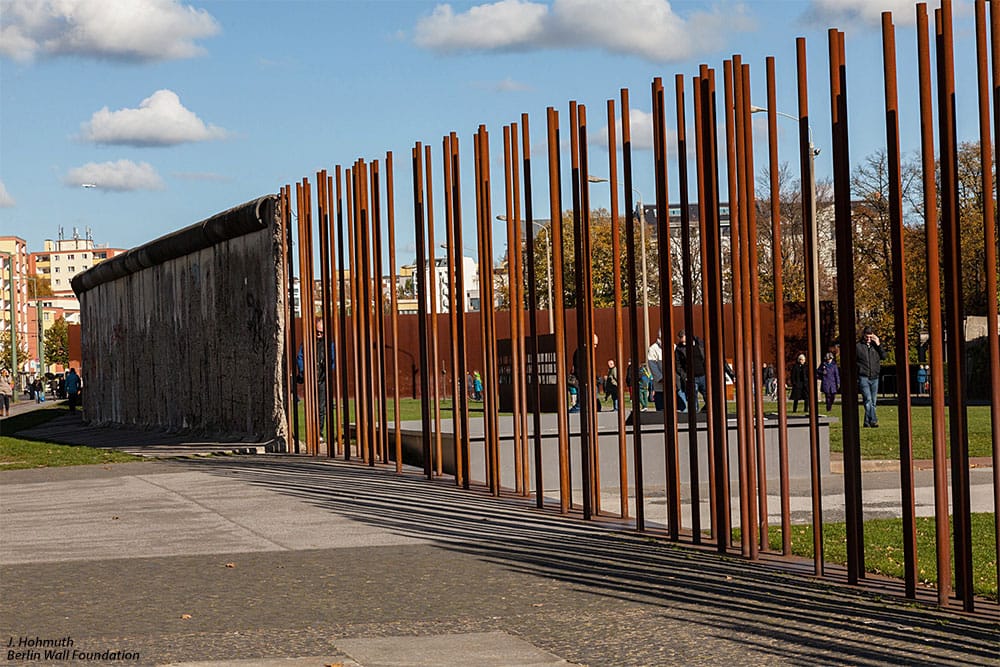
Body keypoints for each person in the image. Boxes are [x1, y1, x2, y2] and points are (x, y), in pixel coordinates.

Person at [297, 320, 335, 443]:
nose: (319, 335)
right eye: (317, 332)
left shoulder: (329, 345)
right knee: (310, 407)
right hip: (310, 379)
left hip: (322, 379)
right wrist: (303, 371)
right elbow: (300, 357)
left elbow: (333, 360)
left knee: (321, 408)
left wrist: (328, 369)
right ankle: (311, 432)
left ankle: (319, 433)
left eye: (321, 333)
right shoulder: (307, 343)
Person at [857, 325, 887, 428]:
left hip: (875, 377)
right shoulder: (858, 346)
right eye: (867, 336)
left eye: (871, 336)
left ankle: (867, 422)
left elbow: (884, 356)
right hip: (863, 377)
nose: (869, 339)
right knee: (868, 399)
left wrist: (878, 344)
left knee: (873, 402)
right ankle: (873, 420)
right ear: (864, 336)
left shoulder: (876, 346)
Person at [675, 329, 707, 413]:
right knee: (693, 399)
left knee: (708, 396)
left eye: (683, 338)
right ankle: (695, 416)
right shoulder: (679, 349)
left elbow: (705, 357)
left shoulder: (700, 344)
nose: (682, 342)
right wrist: (684, 376)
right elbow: (678, 365)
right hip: (691, 377)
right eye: (681, 340)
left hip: (703, 375)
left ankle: (706, 411)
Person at [569, 334, 599, 414]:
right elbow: (580, 367)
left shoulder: (585, 352)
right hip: (585, 379)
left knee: (587, 397)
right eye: (594, 344)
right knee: (583, 398)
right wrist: (584, 379)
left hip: (587, 378)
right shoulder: (582, 352)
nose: (595, 347)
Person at [647, 330, 666, 411]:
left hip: (674, 384)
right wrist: (660, 378)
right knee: (661, 409)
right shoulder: (653, 349)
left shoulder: (674, 346)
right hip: (660, 385)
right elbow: (652, 365)